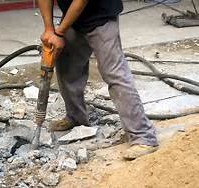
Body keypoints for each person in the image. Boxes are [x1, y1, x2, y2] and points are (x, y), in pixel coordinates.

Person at [37, 0, 158, 160]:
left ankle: (144, 137)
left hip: (101, 17)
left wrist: (59, 33)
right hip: (72, 18)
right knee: (67, 67)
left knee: (114, 74)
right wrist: (49, 29)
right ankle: (76, 118)